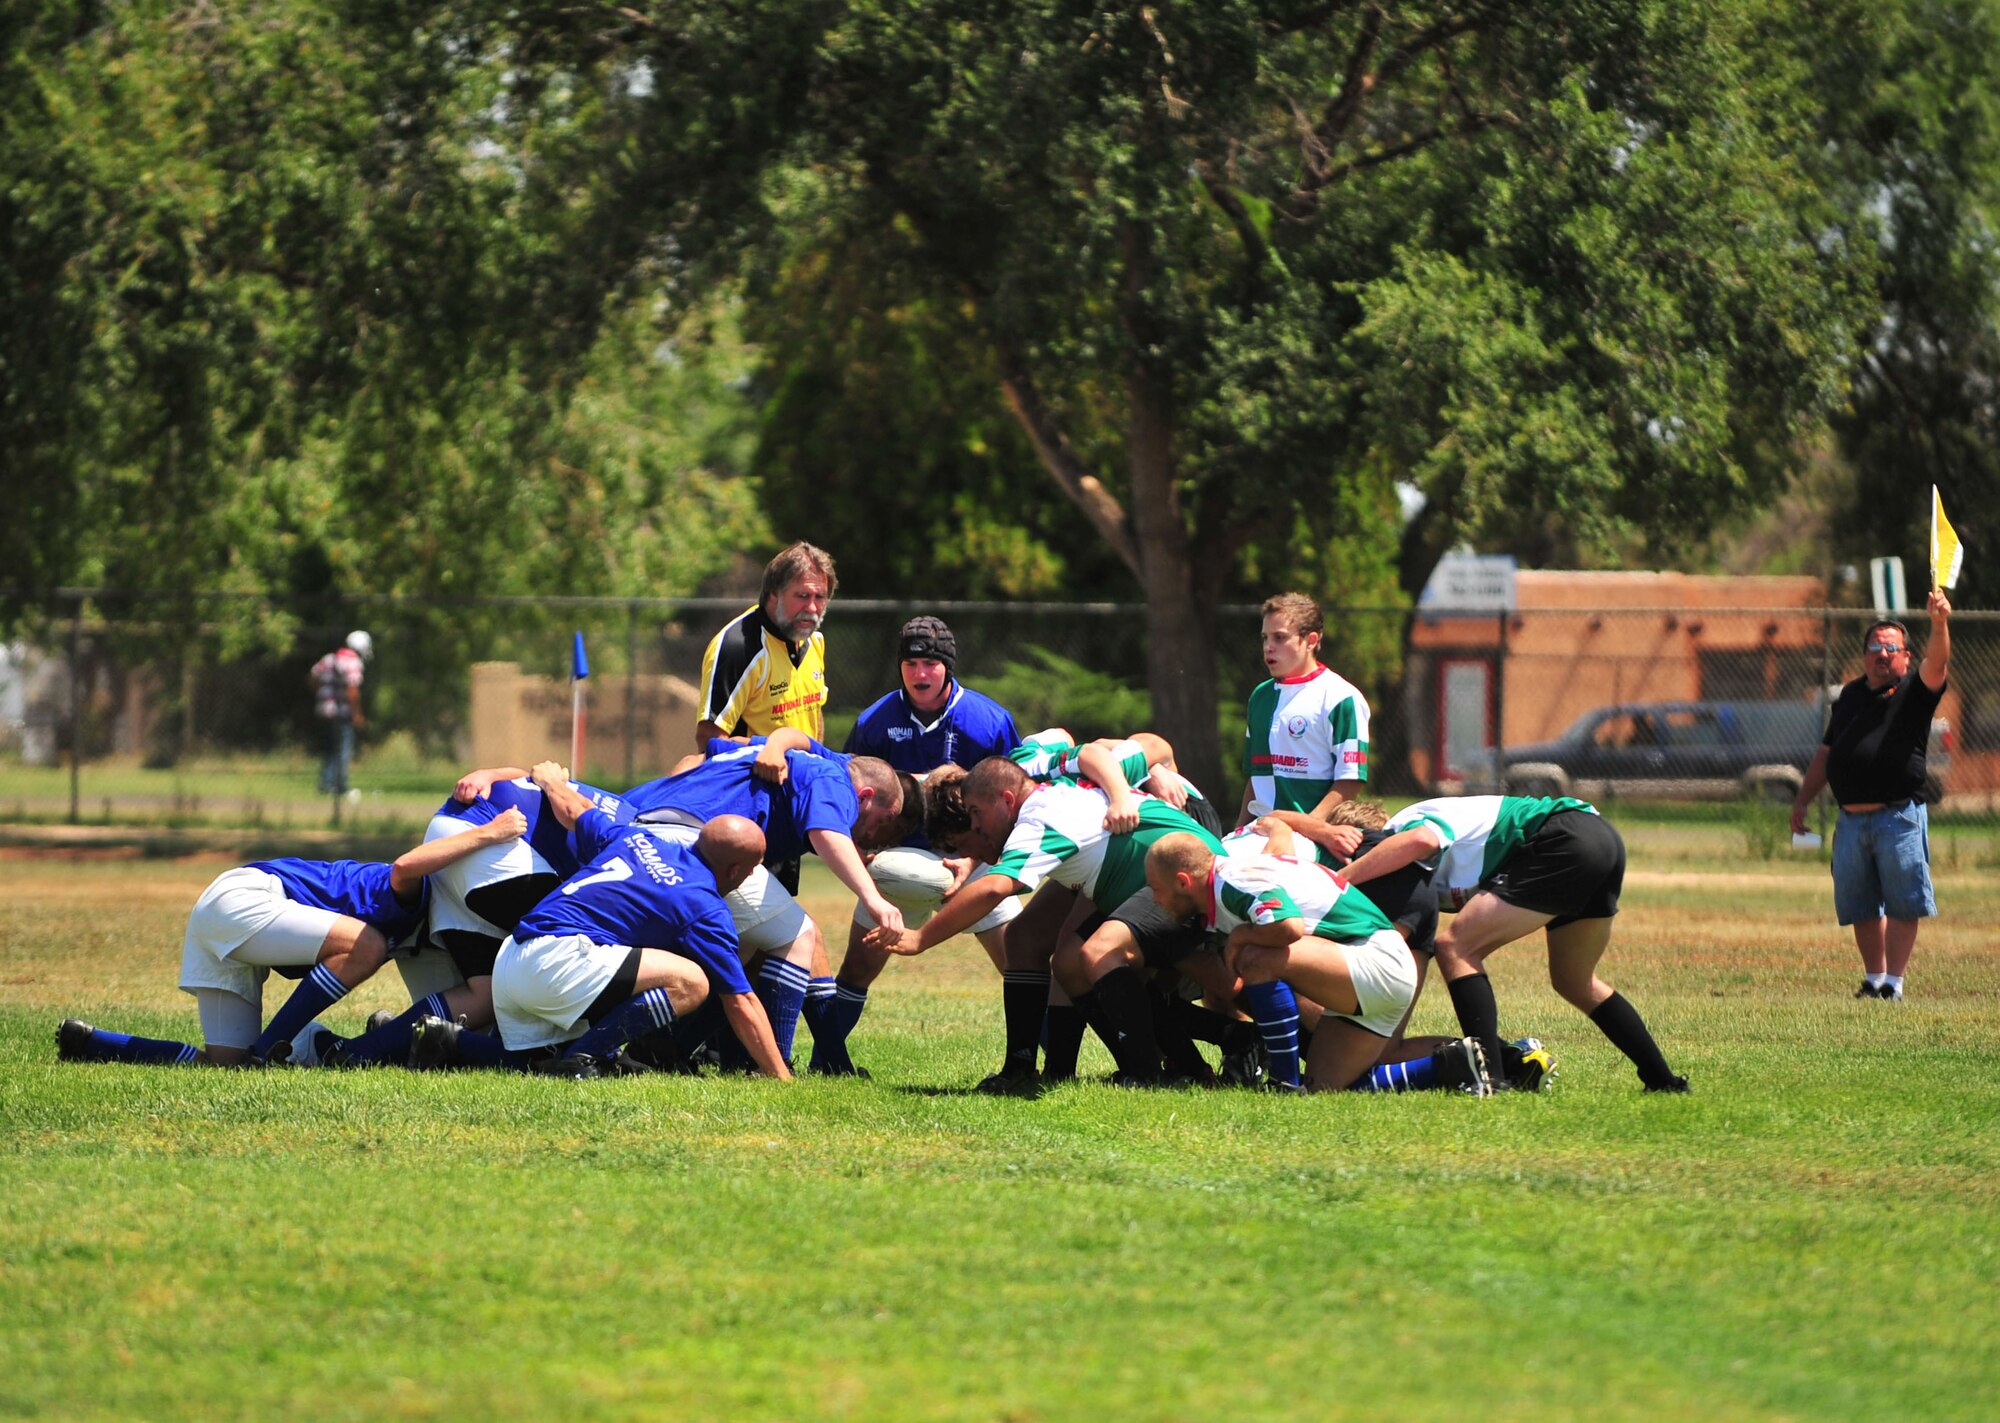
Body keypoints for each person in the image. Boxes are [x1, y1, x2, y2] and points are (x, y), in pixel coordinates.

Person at [867, 755, 1225, 1095]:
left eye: (975, 813)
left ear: (1006, 800)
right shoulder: (1041, 782)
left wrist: (920, 939)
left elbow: (994, 887)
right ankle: (1192, 1057)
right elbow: (1082, 750)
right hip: (1151, 878)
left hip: (1185, 878)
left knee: (1102, 955)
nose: (974, 823)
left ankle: (1169, 1067)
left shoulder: (1038, 819)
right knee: (1070, 963)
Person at [54, 812, 528, 1067]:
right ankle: (272, 1048)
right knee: (367, 946)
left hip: (218, 913)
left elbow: (447, 1012)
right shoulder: (418, 891)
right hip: (243, 897)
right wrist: (489, 833)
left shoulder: (428, 938)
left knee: (225, 1064)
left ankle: (97, 1044)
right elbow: (405, 865)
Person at [1339, 793, 1687, 1093]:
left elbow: (1422, 841)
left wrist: (1339, 879)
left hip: (1563, 837)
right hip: (1600, 839)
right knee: (1574, 982)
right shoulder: (1403, 865)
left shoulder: (1403, 824)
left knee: (1457, 948)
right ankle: (1662, 1080)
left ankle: (1492, 1077)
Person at [810, 615, 1022, 1073]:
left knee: (1020, 962)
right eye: (910, 663)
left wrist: (971, 861)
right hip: (899, 864)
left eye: (929, 663)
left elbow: (1014, 800)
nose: (920, 673)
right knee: (860, 966)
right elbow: (846, 790)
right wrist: (862, 850)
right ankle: (825, 1061)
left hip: (975, 861)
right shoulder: (876, 721)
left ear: (946, 666)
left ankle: (1036, 1062)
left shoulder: (988, 721)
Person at [483, 763, 789, 1078]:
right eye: (753, 868)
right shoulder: (704, 906)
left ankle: (448, 1039)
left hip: (512, 958)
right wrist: (782, 1077)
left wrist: (550, 781)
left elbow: (576, 809)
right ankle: (584, 1058)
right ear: (735, 871)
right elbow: (741, 1002)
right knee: (692, 982)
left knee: (532, 1063)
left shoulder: (637, 838)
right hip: (556, 964)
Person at [620, 738, 907, 1065]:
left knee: (741, 949)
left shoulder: (793, 757)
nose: (873, 833)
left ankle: (656, 1052)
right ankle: (771, 1065)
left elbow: (699, 754)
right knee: (799, 935)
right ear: (865, 798)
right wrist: (874, 898)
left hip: (645, 829)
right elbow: (826, 830)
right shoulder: (833, 778)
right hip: (690, 842)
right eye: (882, 821)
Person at [1144, 832, 1496, 1094]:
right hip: (1372, 971)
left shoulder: (1230, 880)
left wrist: (1238, 938)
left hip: (1376, 961)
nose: (1155, 901)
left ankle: (1284, 1081)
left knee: (1256, 957)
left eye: (1156, 890)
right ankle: (1469, 1063)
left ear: (1182, 882)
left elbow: (1288, 926)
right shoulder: (1226, 880)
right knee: (1325, 1085)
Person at [1791, 591, 1954, 1000]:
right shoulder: (1848, 696)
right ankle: (1874, 978)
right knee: (1859, 905)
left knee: (1902, 902)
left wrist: (1939, 623)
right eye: (1875, 647)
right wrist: (1803, 799)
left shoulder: (1915, 693)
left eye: (1891, 648)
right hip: (1850, 819)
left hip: (1897, 816)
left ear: (1905, 657)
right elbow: (1827, 752)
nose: (1882, 654)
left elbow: (1938, 663)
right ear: (1864, 655)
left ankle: (1895, 983)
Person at [1238, 593, 1369, 825]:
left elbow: (1351, 780)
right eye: (1265, 637)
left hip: (1312, 835)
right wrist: (1238, 829)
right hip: (1258, 830)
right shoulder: (1260, 696)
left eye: (1279, 638)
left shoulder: (1341, 698)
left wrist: (1308, 827)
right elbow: (1256, 778)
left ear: (1311, 641)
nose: (1268, 647)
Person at [311, 630, 371, 798]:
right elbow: (352, 690)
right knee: (343, 749)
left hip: (325, 710)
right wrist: (357, 713)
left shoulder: (329, 658)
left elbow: (313, 676)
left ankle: (326, 783)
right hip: (342, 711)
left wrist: (323, 694)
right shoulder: (353, 661)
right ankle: (339, 787)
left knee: (331, 748)